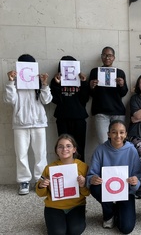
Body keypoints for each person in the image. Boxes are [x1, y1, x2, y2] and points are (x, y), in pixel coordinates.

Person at [3, 54, 52, 195]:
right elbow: (9, 100)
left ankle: (40, 179)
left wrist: (44, 84)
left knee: (41, 153)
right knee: (21, 153)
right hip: (20, 123)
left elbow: (47, 100)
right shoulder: (17, 82)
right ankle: (24, 180)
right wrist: (10, 82)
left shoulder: (38, 81)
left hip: (39, 123)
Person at [87, 120, 141, 234]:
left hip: (126, 192)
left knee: (126, 228)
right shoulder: (100, 150)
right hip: (106, 189)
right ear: (108, 134)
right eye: (114, 132)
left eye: (121, 132)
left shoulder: (132, 150)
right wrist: (93, 178)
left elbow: (137, 175)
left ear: (126, 134)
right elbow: (91, 174)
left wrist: (134, 181)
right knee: (94, 187)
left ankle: (117, 209)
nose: (118, 136)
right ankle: (109, 214)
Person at [36, 134, 90, 235]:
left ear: (74, 149)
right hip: (54, 207)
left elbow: (87, 193)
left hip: (76, 205)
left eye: (68, 146)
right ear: (56, 150)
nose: (64, 149)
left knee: (75, 231)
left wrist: (83, 185)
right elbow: (41, 194)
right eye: (60, 146)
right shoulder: (49, 168)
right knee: (58, 233)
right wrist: (41, 185)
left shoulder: (83, 167)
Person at [50, 56, 89, 161]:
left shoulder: (81, 80)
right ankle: (64, 171)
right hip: (63, 118)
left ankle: (80, 172)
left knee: (79, 147)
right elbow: (54, 100)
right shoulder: (55, 81)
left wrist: (84, 83)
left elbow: (85, 99)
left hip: (79, 117)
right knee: (63, 148)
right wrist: (56, 84)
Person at [89, 46, 128, 145]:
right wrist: (91, 86)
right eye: (105, 55)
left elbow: (123, 93)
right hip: (101, 112)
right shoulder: (95, 71)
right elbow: (90, 94)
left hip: (117, 111)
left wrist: (122, 85)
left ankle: (118, 161)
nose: (107, 58)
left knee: (119, 142)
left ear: (114, 58)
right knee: (104, 143)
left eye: (110, 55)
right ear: (101, 57)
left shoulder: (119, 72)